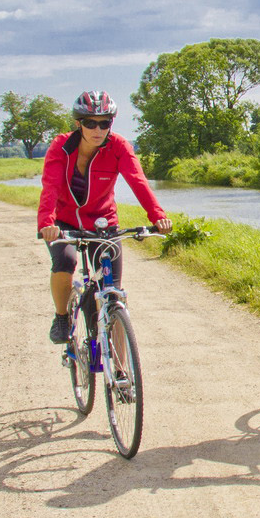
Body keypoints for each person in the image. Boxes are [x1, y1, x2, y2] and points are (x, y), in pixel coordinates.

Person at [37, 91, 172, 345]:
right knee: (65, 262)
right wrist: (47, 222)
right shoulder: (61, 147)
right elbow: (50, 187)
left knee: (113, 295)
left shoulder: (118, 146)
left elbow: (138, 181)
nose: (98, 129)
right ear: (79, 124)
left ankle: (121, 372)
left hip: (103, 222)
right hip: (64, 223)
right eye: (90, 123)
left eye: (104, 123)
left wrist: (157, 216)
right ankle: (62, 316)